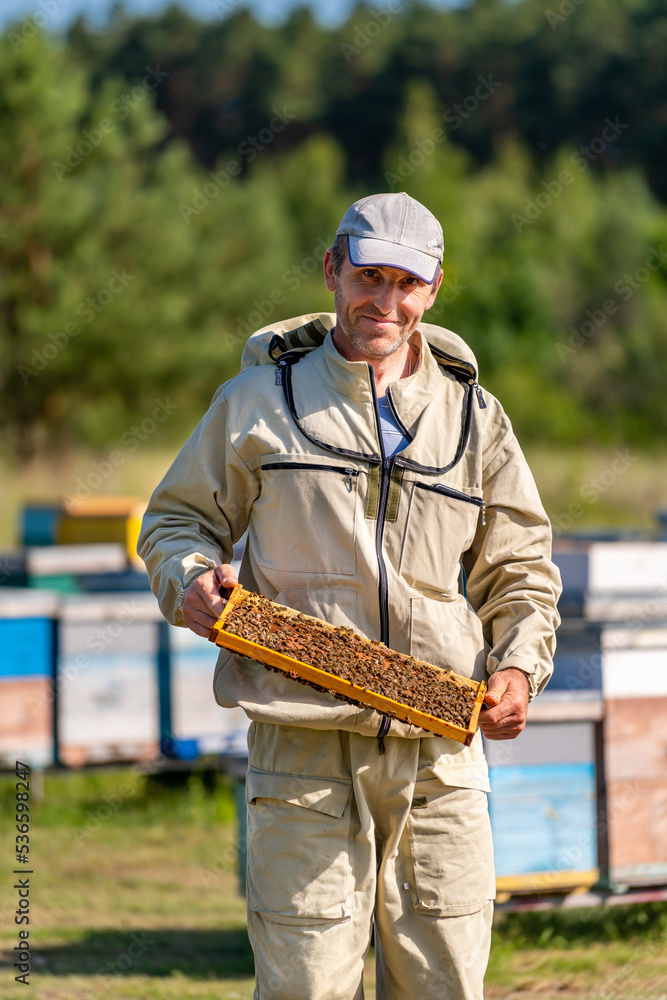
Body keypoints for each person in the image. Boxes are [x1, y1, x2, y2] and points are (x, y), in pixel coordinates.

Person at [138, 192, 562, 1000]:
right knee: (305, 988)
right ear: (333, 271)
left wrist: (519, 670)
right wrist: (190, 581)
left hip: (441, 750)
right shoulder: (252, 406)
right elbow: (177, 522)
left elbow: (522, 570)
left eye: (406, 284)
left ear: (434, 289)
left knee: (443, 986)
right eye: (369, 276)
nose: (385, 302)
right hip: (301, 747)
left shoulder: (479, 421)